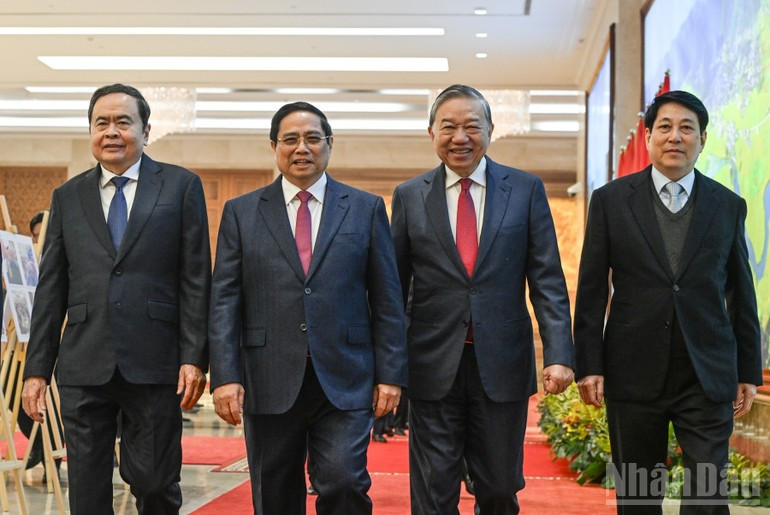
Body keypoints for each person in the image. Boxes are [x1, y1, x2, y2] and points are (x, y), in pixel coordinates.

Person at [208, 101, 407, 514]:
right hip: (268, 375)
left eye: (313, 138)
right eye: (291, 139)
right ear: (274, 146)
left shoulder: (365, 208)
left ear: (330, 144)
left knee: (344, 481)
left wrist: (391, 374)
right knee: (275, 492)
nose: (302, 148)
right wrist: (224, 376)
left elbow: (388, 299)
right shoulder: (241, 213)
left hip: (346, 375)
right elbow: (225, 300)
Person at [22, 83, 211, 515]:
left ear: (146, 130)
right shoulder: (68, 197)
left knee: (155, 479)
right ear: (90, 131)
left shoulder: (181, 187)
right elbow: (51, 288)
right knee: (87, 486)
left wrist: (194, 356)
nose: (111, 131)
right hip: (85, 362)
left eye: (123, 121)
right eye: (101, 122)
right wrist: (37, 369)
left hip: (157, 360)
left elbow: (197, 278)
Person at [574, 90, 763, 514]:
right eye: (665, 127)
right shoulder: (610, 201)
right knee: (638, 496)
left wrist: (748, 368)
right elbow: (590, 292)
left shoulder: (727, 205)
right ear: (647, 136)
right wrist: (589, 363)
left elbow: (741, 292)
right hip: (633, 368)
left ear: (703, 139)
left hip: (706, 371)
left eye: (686, 129)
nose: (675, 136)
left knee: (707, 494)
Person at [390, 84, 574, 514]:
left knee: (497, 487)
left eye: (472, 126)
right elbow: (393, 289)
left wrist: (559, 354)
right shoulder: (409, 196)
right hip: (431, 365)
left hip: (502, 365)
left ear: (491, 130)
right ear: (430, 133)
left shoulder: (525, 190)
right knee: (433, 492)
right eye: (448, 127)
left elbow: (546, 279)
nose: (460, 137)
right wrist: (387, 365)